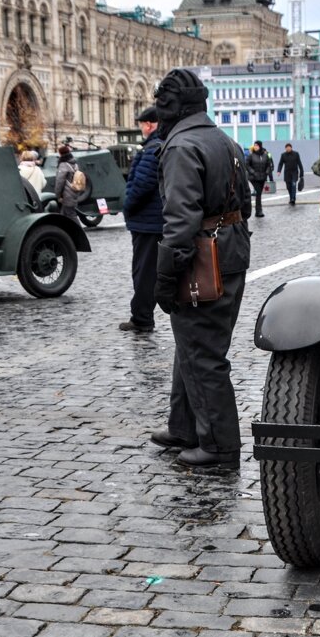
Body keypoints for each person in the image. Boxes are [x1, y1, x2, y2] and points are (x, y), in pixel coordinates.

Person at [151, 68, 251, 469]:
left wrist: (164, 276)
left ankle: (220, 447)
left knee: (204, 353)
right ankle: (185, 426)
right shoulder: (224, 140)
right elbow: (243, 202)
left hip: (202, 257)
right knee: (191, 346)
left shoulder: (181, 147)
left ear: (171, 107)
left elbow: (180, 220)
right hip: (229, 250)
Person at [120, 106, 164, 333]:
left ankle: (142, 318)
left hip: (148, 223)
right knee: (149, 271)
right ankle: (141, 315)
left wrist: (127, 206)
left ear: (148, 125)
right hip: (153, 221)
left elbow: (141, 185)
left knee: (144, 272)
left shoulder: (152, 149)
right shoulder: (160, 145)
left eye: (142, 125)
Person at [245, 140, 272, 217]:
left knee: (259, 194)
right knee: (259, 193)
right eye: (254, 145)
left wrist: (267, 172)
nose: (255, 147)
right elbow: (247, 165)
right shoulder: (251, 155)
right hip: (253, 178)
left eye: (257, 145)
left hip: (262, 177)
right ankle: (259, 211)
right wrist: (253, 172)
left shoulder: (265, 155)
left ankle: (258, 211)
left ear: (260, 146)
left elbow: (269, 165)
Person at [53, 144, 78, 222]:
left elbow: (60, 181)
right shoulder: (74, 163)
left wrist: (58, 195)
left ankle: (79, 232)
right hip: (74, 191)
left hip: (67, 193)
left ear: (61, 154)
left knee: (71, 214)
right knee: (63, 215)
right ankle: (62, 232)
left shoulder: (63, 165)